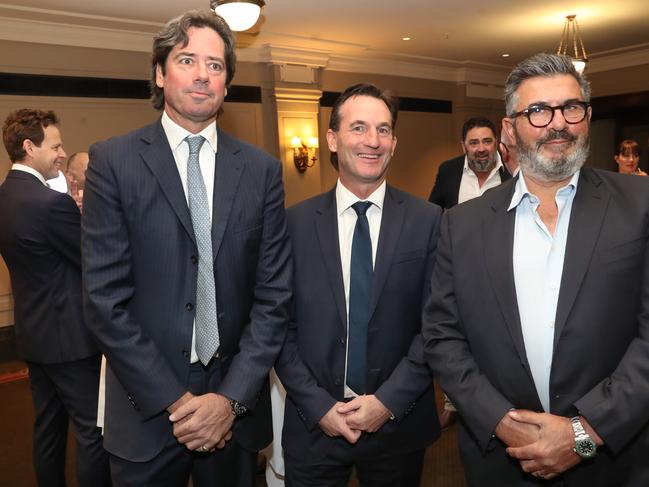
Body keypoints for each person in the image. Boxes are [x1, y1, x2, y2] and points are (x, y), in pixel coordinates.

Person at [81, 10, 292, 486]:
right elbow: (104, 300)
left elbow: (274, 298)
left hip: (233, 410)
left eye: (215, 65)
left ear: (226, 84)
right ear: (160, 72)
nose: (202, 74)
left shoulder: (261, 171)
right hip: (146, 405)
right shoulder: (113, 162)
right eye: (187, 60)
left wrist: (228, 400)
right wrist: (178, 404)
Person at [422, 52, 649, 486]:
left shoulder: (639, 206)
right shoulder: (461, 225)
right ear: (510, 128)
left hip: (613, 461)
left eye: (571, 107)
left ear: (586, 116)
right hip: (503, 461)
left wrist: (584, 433)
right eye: (539, 111)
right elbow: (442, 335)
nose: (558, 123)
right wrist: (501, 421)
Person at [276, 83, 441, 486]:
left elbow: (437, 326)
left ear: (395, 142)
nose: (373, 141)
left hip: (398, 425)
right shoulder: (291, 225)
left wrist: (387, 402)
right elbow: (276, 326)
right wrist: (319, 407)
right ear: (332, 139)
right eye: (359, 128)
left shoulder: (429, 220)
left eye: (383, 130)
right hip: (314, 424)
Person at [0, 109, 109, 487]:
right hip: (71, 342)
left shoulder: (5, 198)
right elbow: (91, 259)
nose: (62, 154)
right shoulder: (49, 203)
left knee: (48, 429)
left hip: (32, 336)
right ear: (29, 147)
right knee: (92, 433)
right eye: (56, 145)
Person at [428, 116, 511, 209]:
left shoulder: (512, 168)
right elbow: (433, 212)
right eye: (474, 143)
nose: (481, 149)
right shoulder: (448, 171)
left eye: (487, 141)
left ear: (496, 143)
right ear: (464, 146)